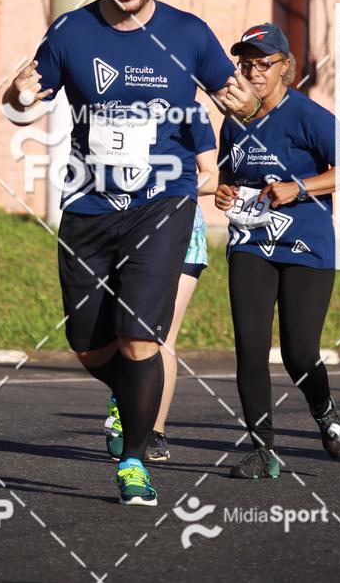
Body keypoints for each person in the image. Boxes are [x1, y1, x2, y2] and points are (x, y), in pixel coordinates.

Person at [3, 0, 258, 506]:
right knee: (89, 344)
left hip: (161, 205)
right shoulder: (71, 31)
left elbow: (234, 98)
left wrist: (243, 107)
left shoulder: (189, 34)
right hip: (88, 205)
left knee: (141, 339)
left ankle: (136, 459)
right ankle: (131, 396)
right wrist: (17, 95)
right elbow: (21, 99)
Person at [215, 22, 340, 480]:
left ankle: (325, 410)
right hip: (251, 243)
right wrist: (223, 194)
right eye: (246, 63)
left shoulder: (307, 115)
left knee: (298, 351)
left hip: (306, 246)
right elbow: (228, 180)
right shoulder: (234, 122)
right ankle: (262, 450)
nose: (252, 71)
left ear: (284, 69)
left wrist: (298, 187)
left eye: (263, 63)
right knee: (250, 348)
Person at [105, 120, 219, 464]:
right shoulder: (124, 107)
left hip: (181, 230)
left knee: (162, 335)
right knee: (126, 333)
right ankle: (122, 401)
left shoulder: (193, 114)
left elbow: (211, 176)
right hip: (125, 228)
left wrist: (169, 188)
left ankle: (154, 431)